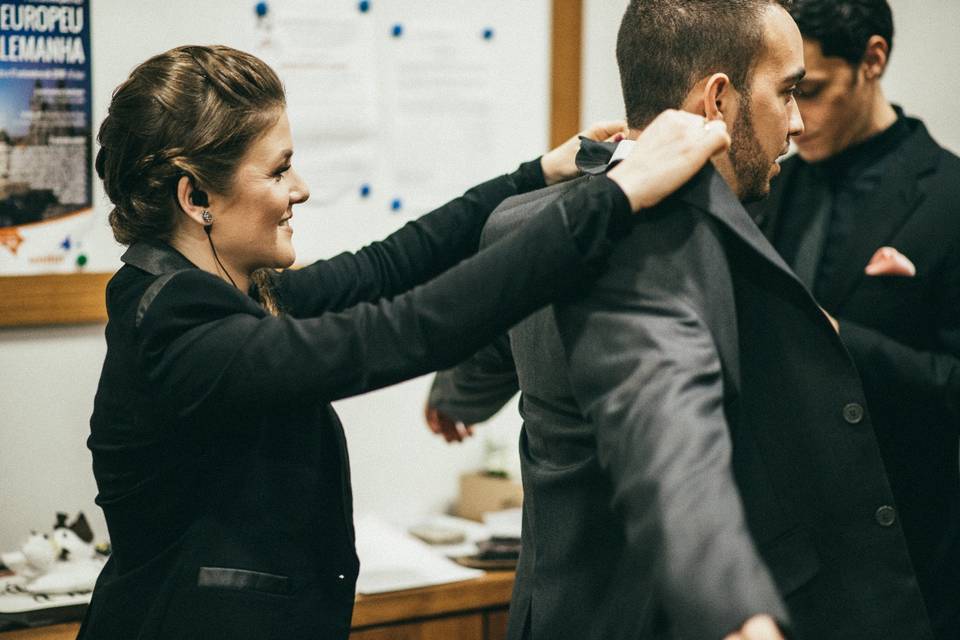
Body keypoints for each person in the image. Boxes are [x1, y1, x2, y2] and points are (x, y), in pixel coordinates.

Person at [78, 44, 730, 639]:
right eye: (279, 171)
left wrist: (535, 174)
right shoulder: (177, 332)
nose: (300, 188)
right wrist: (614, 199)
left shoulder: (231, 297)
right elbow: (410, 329)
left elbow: (390, 265)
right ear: (196, 196)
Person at [426, 1, 934, 638]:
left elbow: (498, 338)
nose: (798, 123)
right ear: (717, 100)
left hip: (556, 610)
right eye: (788, 92)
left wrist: (457, 392)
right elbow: (670, 434)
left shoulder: (519, 220)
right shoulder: (680, 246)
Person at [746, 1, 960, 636]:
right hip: (779, 557)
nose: (792, 120)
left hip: (907, 563)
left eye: (809, 92)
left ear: (873, 60)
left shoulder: (950, 197)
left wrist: (841, 341)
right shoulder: (769, 185)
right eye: (784, 93)